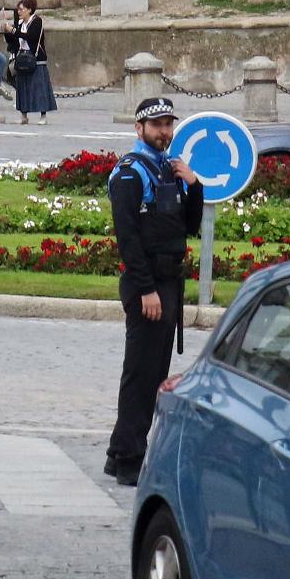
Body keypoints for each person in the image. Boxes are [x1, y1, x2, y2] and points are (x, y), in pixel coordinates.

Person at [105, 98, 204, 486]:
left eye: (168, 124)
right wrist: (146, 290)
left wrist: (193, 184)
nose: (164, 131)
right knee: (141, 376)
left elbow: (190, 226)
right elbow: (128, 238)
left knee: (153, 373)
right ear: (139, 129)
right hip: (147, 285)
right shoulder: (130, 173)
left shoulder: (170, 169)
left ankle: (120, 453)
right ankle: (130, 459)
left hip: (168, 283)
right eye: (156, 124)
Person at [2, 0, 57, 125]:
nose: (19, 12)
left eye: (21, 9)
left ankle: (43, 115)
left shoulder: (37, 21)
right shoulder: (20, 23)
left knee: (39, 88)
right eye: (18, 10)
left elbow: (30, 37)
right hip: (22, 58)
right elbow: (14, 41)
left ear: (29, 10)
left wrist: (14, 31)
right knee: (23, 87)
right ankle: (23, 115)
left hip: (36, 59)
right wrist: (7, 31)